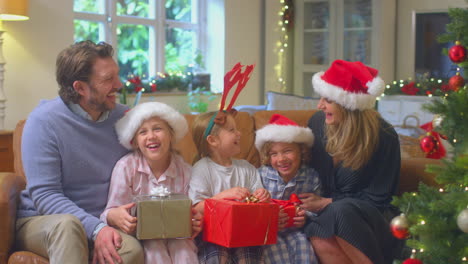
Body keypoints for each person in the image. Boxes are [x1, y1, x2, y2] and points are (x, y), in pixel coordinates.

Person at [15, 40, 144, 264]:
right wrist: (97, 229)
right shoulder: (43, 122)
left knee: (131, 251)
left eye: (117, 75)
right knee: (67, 226)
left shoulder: (125, 118)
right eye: (108, 79)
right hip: (44, 222)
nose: (119, 84)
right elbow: (45, 195)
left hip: (103, 221)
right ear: (80, 88)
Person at [300, 60, 401, 264]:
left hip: (371, 216)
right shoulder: (317, 124)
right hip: (328, 215)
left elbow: (379, 197)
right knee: (318, 233)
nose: (320, 106)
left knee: (340, 211)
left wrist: (327, 202)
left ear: (347, 104)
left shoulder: (384, 135)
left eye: (327, 100)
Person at [101, 101, 202, 264]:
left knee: (184, 248)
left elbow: (192, 211)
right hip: (142, 236)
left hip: (177, 235)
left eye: (157, 128)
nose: (151, 136)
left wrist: (195, 221)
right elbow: (109, 211)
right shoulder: (126, 168)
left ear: (171, 135)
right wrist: (116, 216)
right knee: (154, 249)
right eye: (143, 132)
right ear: (134, 141)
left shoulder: (185, 170)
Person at [189, 110, 271, 264]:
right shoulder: (202, 169)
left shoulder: (247, 168)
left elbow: (260, 206)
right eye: (232, 130)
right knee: (217, 257)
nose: (239, 133)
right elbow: (195, 208)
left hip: (245, 233)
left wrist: (262, 196)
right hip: (212, 235)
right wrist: (222, 196)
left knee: (249, 254)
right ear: (213, 140)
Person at [255, 113, 320, 264]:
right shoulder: (261, 175)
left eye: (287, 151)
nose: (281, 159)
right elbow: (253, 207)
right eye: (274, 154)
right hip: (270, 231)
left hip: (297, 231)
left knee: (304, 250)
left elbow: (318, 207)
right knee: (275, 253)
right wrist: (269, 219)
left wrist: (305, 216)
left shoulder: (311, 176)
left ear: (301, 151)